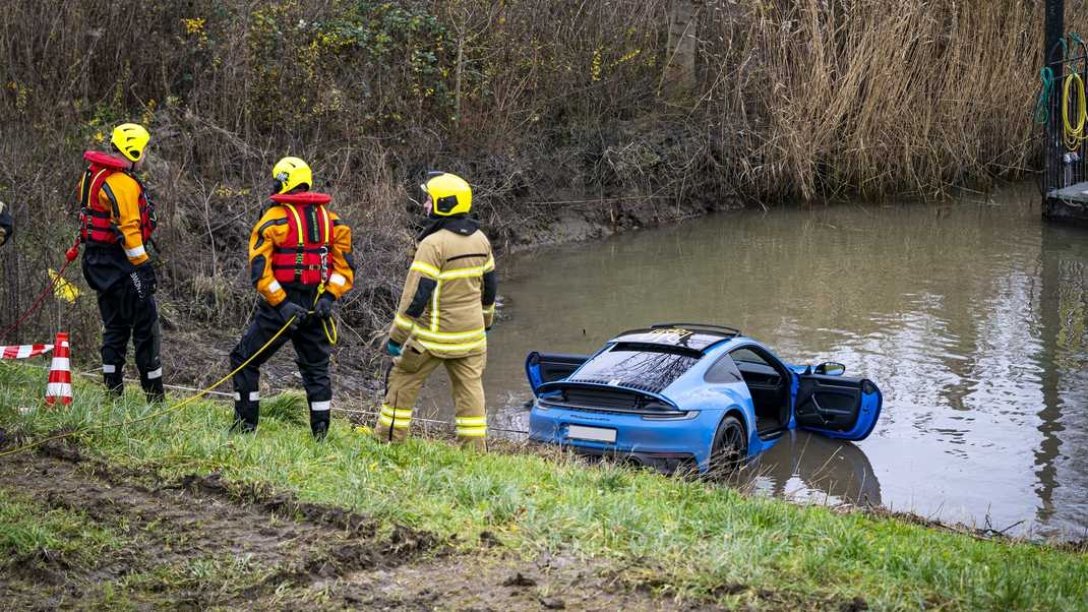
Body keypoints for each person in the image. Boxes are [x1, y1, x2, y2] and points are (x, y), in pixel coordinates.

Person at [228, 157, 355, 440]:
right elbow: (344, 268)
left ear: (282, 182)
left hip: (281, 307)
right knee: (317, 370)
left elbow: (260, 271)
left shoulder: (273, 220)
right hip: (317, 307)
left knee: (243, 360)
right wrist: (329, 299)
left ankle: (244, 428)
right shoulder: (333, 221)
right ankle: (320, 434)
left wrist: (282, 304)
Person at [376, 172, 497, 450]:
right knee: (471, 393)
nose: (425, 205)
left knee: (402, 380)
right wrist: (486, 321)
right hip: (472, 338)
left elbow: (415, 298)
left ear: (445, 204)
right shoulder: (481, 240)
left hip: (432, 339)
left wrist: (396, 338)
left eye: (429, 200)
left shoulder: (433, 244)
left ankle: (388, 442)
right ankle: (474, 453)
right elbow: (489, 289)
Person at [77, 123, 163, 401]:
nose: (145, 155)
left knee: (114, 327)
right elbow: (130, 231)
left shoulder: (92, 176)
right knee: (146, 326)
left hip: (95, 262)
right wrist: (144, 268)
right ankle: (154, 397)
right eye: (143, 150)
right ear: (134, 150)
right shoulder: (122, 183)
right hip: (121, 265)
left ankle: (113, 392)